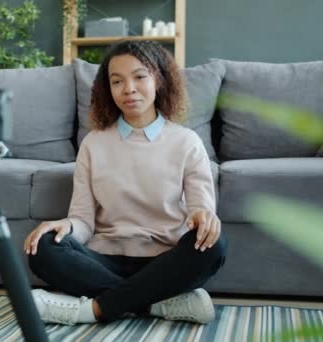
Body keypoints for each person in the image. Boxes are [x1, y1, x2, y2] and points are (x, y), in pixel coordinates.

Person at [23, 40, 227, 326]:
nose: (128, 88)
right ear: (108, 89)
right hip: (103, 257)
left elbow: (201, 210)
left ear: (159, 79)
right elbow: (82, 220)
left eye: (139, 76)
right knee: (43, 246)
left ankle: (91, 310)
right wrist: (66, 226)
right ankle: (155, 304)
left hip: (164, 261)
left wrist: (203, 218)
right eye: (117, 81)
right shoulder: (93, 143)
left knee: (213, 246)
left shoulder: (186, 142)